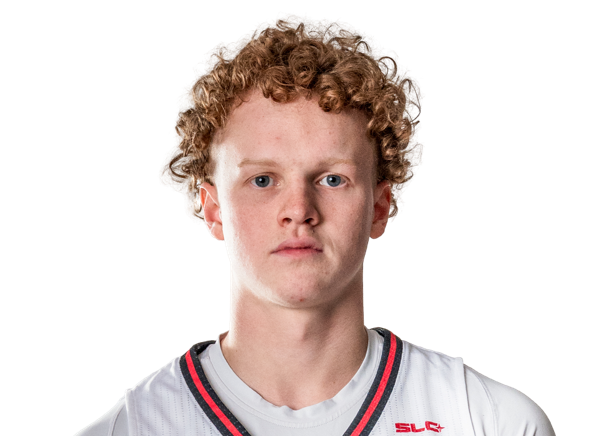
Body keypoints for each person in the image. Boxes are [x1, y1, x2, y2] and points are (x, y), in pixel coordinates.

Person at [75, 14, 555, 436]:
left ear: (380, 207)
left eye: (332, 179)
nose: (299, 209)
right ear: (213, 208)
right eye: (263, 180)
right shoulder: (131, 429)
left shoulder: (491, 422)